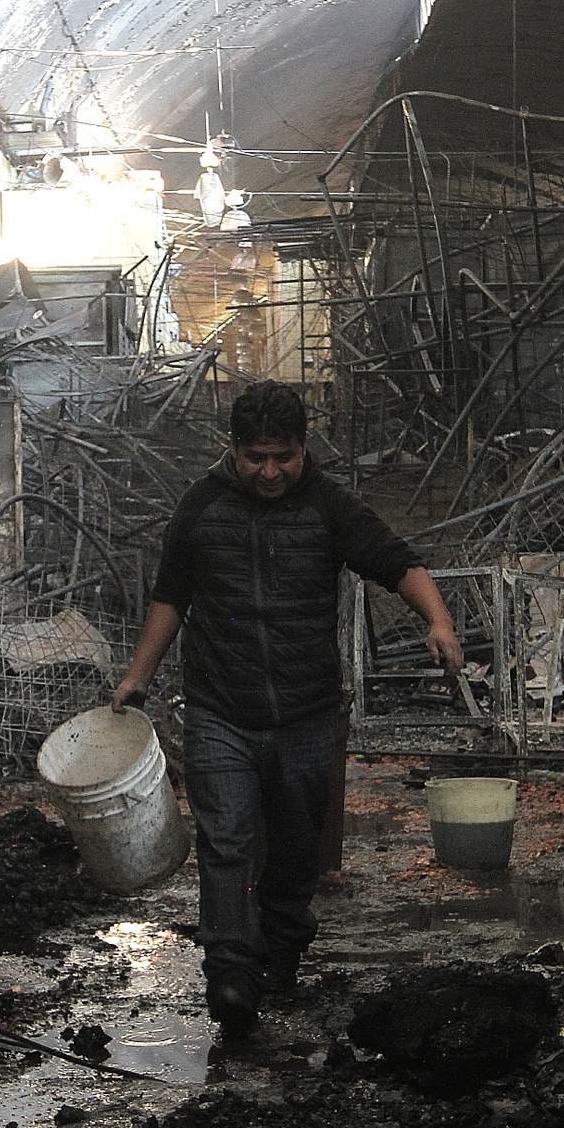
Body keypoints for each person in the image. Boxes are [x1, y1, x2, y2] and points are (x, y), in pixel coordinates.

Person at [110, 380, 463, 1034]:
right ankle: (229, 972)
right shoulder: (201, 508)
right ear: (233, 450)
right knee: (226, 840)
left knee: (298, 845)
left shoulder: (328, 507)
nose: (270, 471)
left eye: (283, 456)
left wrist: (438, 621)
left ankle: (280, 949)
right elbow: (171, 597)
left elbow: (396, 562)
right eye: (256, 457)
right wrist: (137, 677)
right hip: (220, 709)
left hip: (305, 711)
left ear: (304, 450)